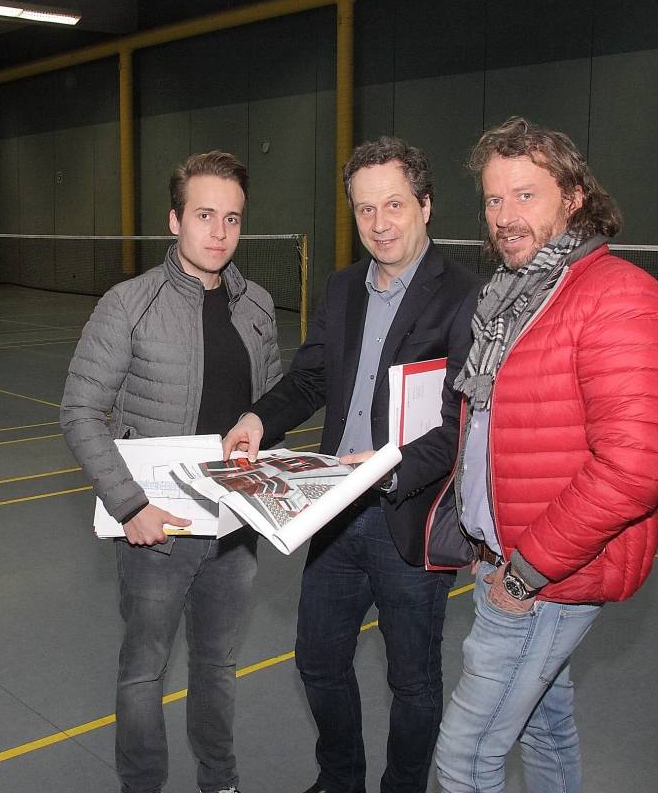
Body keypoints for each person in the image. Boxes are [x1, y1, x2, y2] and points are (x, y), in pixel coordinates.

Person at [431, 117, 658, 792]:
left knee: (464, 760)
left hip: (545, 578)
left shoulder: (620, 299)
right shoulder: (515, 297)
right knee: (544, 728)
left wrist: (524, 575)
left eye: (525, 195)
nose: (504, 216)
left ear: (573, 198)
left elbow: (631, 471)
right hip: (508, 560)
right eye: (493, 199)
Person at [222, 137, 481, 793]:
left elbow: (462, 424)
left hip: (409, 516)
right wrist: (259, 419)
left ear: (426, 205)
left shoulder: (463, 296)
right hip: (336, 513)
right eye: (365, 209)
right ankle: (341, 779)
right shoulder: (342, 288)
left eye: (394, 204)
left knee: (413, 682)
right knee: (317, 661)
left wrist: (389, 465)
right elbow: (311, 376)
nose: (380, 223)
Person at [61, 150, 283, 793]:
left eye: (232, 218)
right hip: (156, 532)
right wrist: (130, 506)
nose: (219, 232)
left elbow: (269, 408)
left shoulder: (258, 306)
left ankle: (221, 782)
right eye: (204, 215)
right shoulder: (128, 304)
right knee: (143, 673)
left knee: (217, 668)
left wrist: (266, 450)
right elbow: (80, 411)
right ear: (174, 219)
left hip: (234, 528)